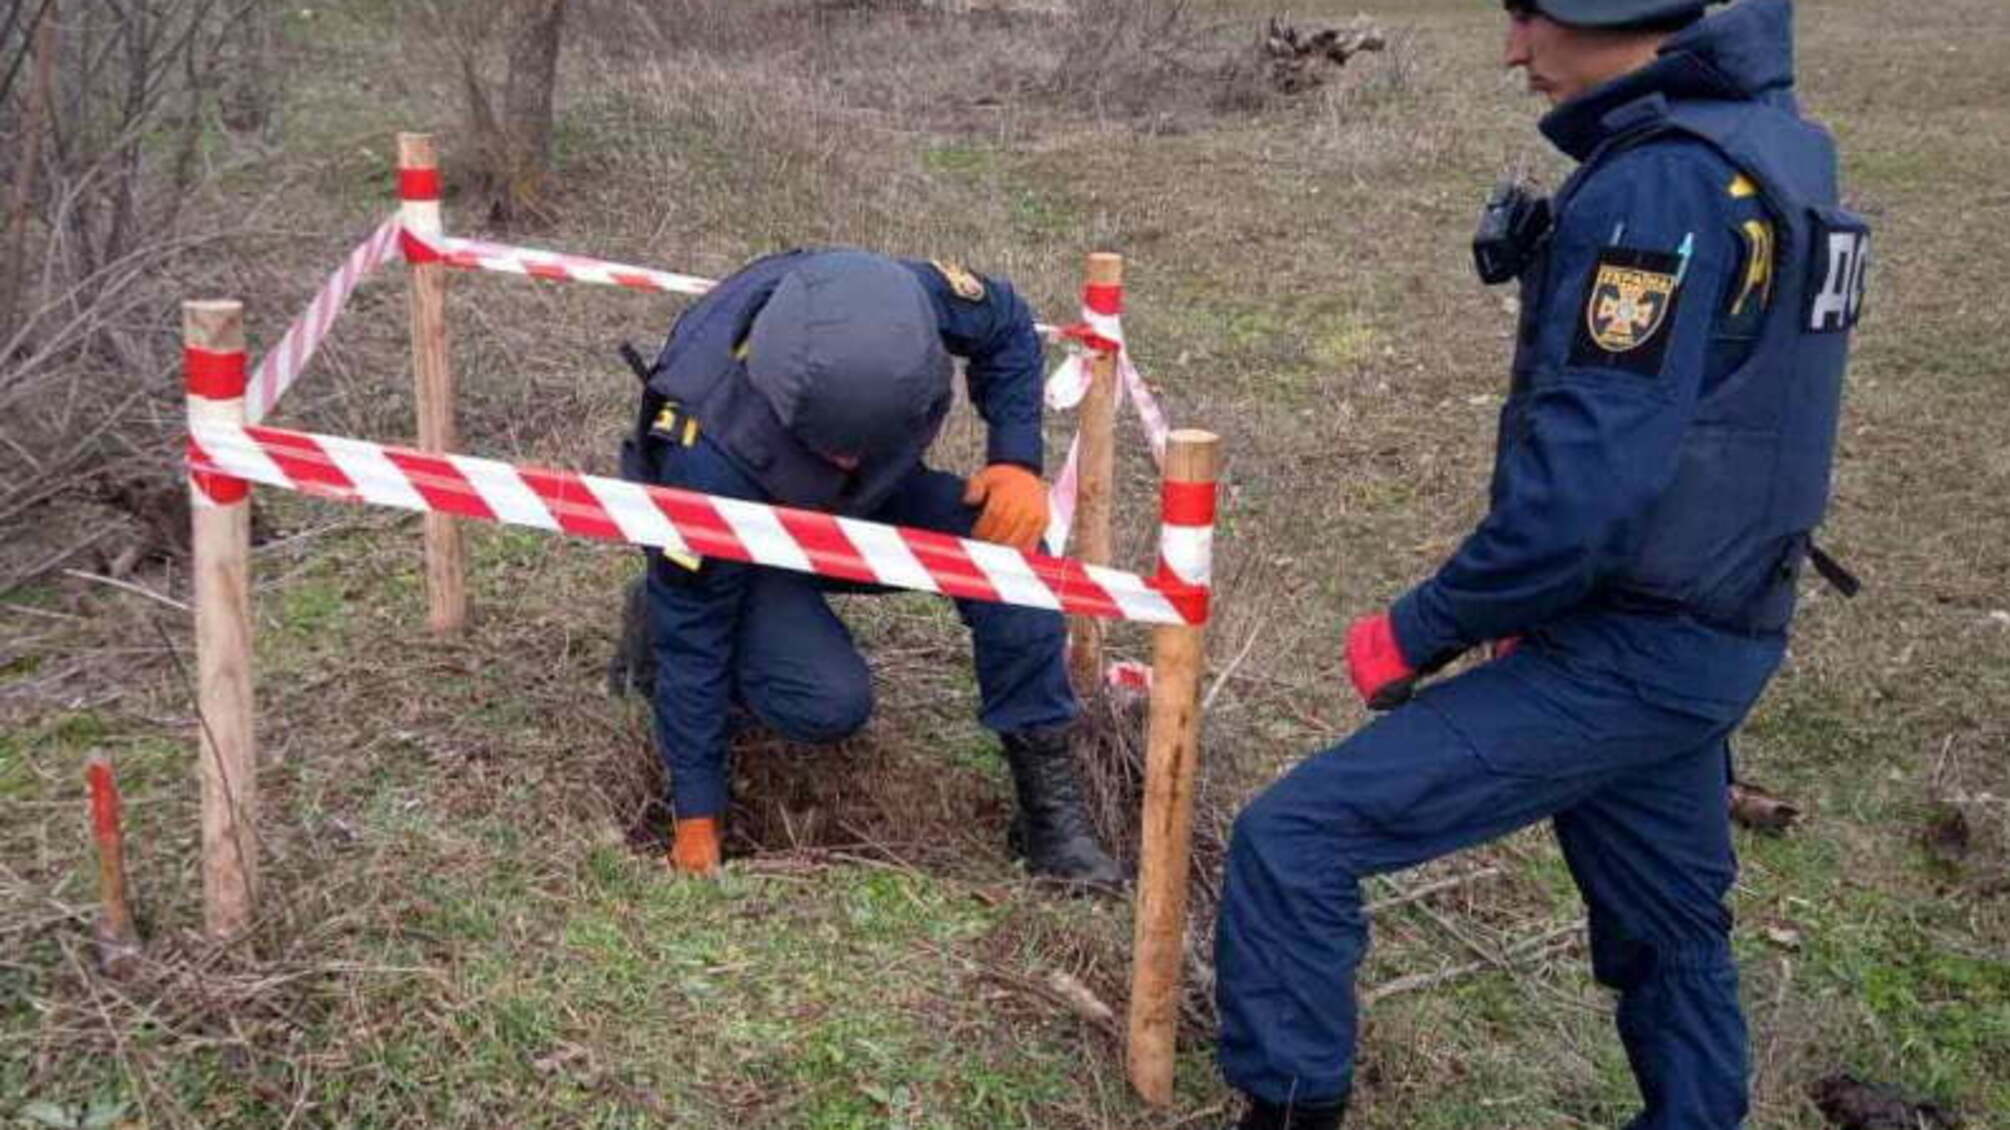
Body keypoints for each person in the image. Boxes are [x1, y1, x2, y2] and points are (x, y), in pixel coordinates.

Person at [1212, 0, 1866, 1127]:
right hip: (1723, 618)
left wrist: (1423, 625)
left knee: (1295, 837)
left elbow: (1583, 495)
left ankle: (1285, 1108)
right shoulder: (1775, 146)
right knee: (1669, 928)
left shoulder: (1660, 186)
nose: (1513, 48)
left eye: (1529, 15)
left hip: (1634, 644)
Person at [610, 248, 1122, 887]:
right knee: (826, 702)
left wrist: (1016, 460)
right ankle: (654, 608)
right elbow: (695, 645)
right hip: (750, 527)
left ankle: (1049, 814)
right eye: (834, 450)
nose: (849, 462)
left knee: (1010, 557)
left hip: (870, 507)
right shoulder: (702, 454)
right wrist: (696, 819)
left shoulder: (901, 306)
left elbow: (1007, 326)